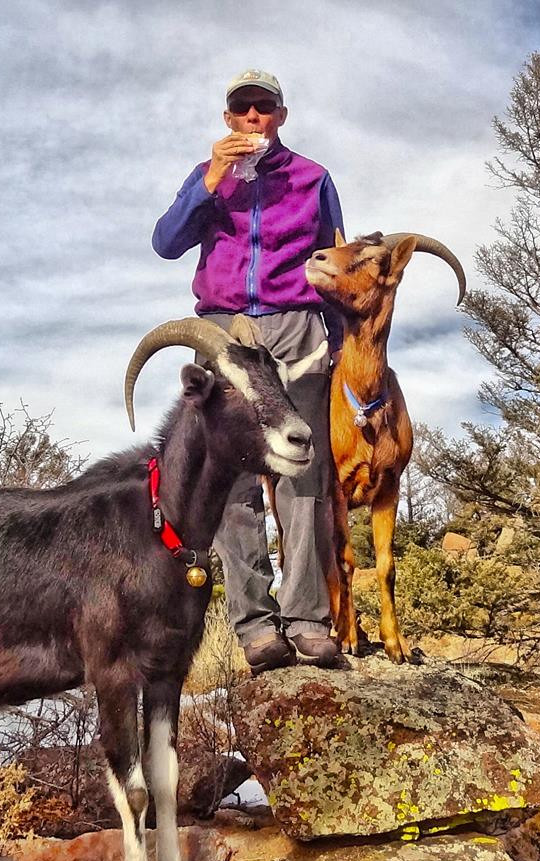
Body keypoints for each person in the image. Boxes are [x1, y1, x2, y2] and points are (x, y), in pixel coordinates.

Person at [152, 68, 345, 674]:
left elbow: (334, 259)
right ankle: (256, 626)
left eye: (264, 107)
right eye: (243, 108)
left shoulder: (312, 177)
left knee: (303, 470)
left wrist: (337, 339)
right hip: (225, 332)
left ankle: (308, 619)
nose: (253, 117)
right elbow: (165, 242)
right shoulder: (207, 176)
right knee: (231, 477)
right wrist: (210, 180)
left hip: (296, 327)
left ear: (281, 116)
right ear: (228, 118)